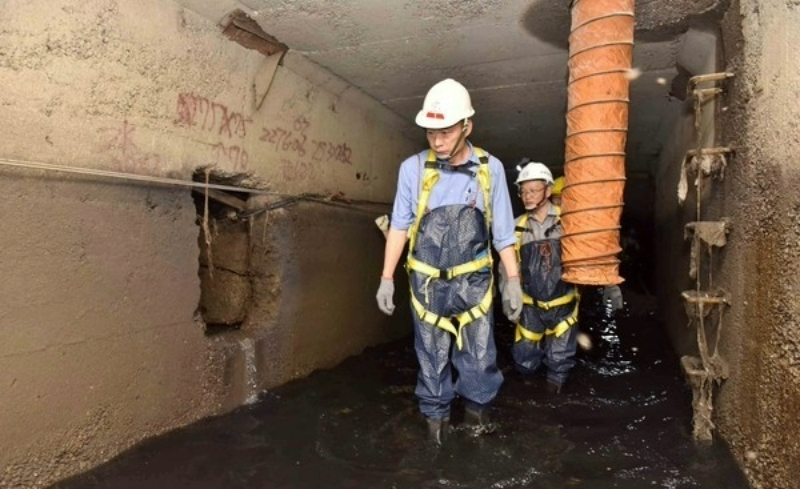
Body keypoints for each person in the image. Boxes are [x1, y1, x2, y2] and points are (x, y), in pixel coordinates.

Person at [375, 78, 523, 445]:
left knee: (479, 357)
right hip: (427, 284)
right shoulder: (413, 168)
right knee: (431, 358)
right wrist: (386, 277)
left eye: (445, 132)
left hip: (475, 283)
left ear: (466, 127)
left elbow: (504, 233)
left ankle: (476, 427)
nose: (437, 141)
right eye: (430, 133)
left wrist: (513, 280)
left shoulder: (490, 168)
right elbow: (400, 226)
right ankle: (435, 433)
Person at [505, 161, 622, 393]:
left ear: (548, 191)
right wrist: (509, 298)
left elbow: (594, 249)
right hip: (530, 308)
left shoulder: (569, 223)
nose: (527, 196)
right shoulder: (517, 227)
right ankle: (528, 396)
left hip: (564, 307)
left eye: (533, 190)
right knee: (524, 359)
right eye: (523, 191)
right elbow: (507, 269)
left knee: (559, 361)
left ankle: (554, 396)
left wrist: (610, 283)